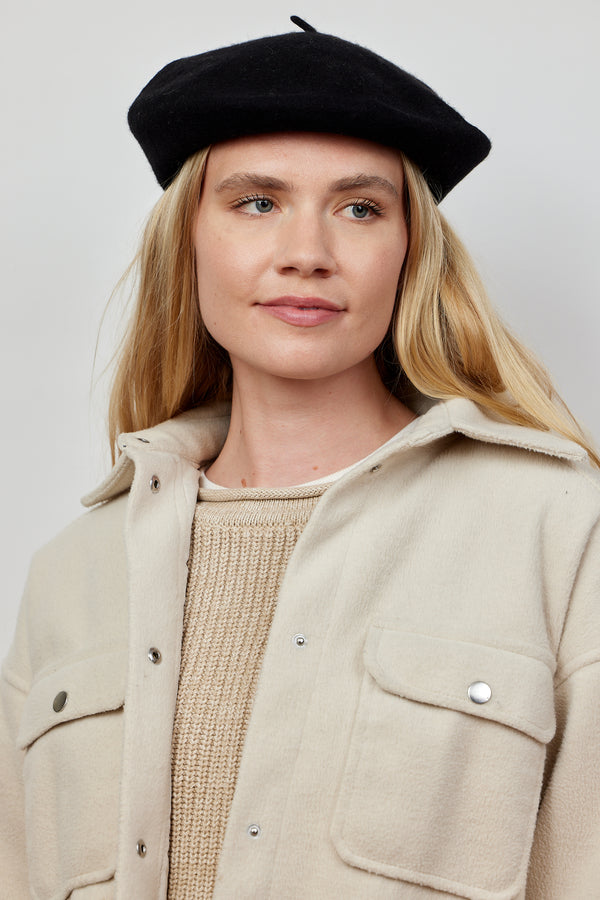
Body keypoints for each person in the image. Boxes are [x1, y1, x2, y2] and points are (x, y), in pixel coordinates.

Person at [1, 16, 599, 900]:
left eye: (360, 208)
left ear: (409, 252)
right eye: (256, 202)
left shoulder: (559, 531)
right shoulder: (72, 574)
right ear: (188, 240)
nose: (307, 255)